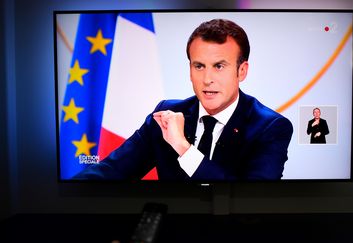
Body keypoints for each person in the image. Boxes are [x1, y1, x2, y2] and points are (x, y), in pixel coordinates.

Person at [73, 19, 293, 180]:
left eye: (219, 66)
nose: (207, 79)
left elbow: (250, 200)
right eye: (199, 66)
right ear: (190, 70)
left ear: (242, 71)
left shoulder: (271, 128)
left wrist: (183, 147)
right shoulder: (166, 113)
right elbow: (111, 171)